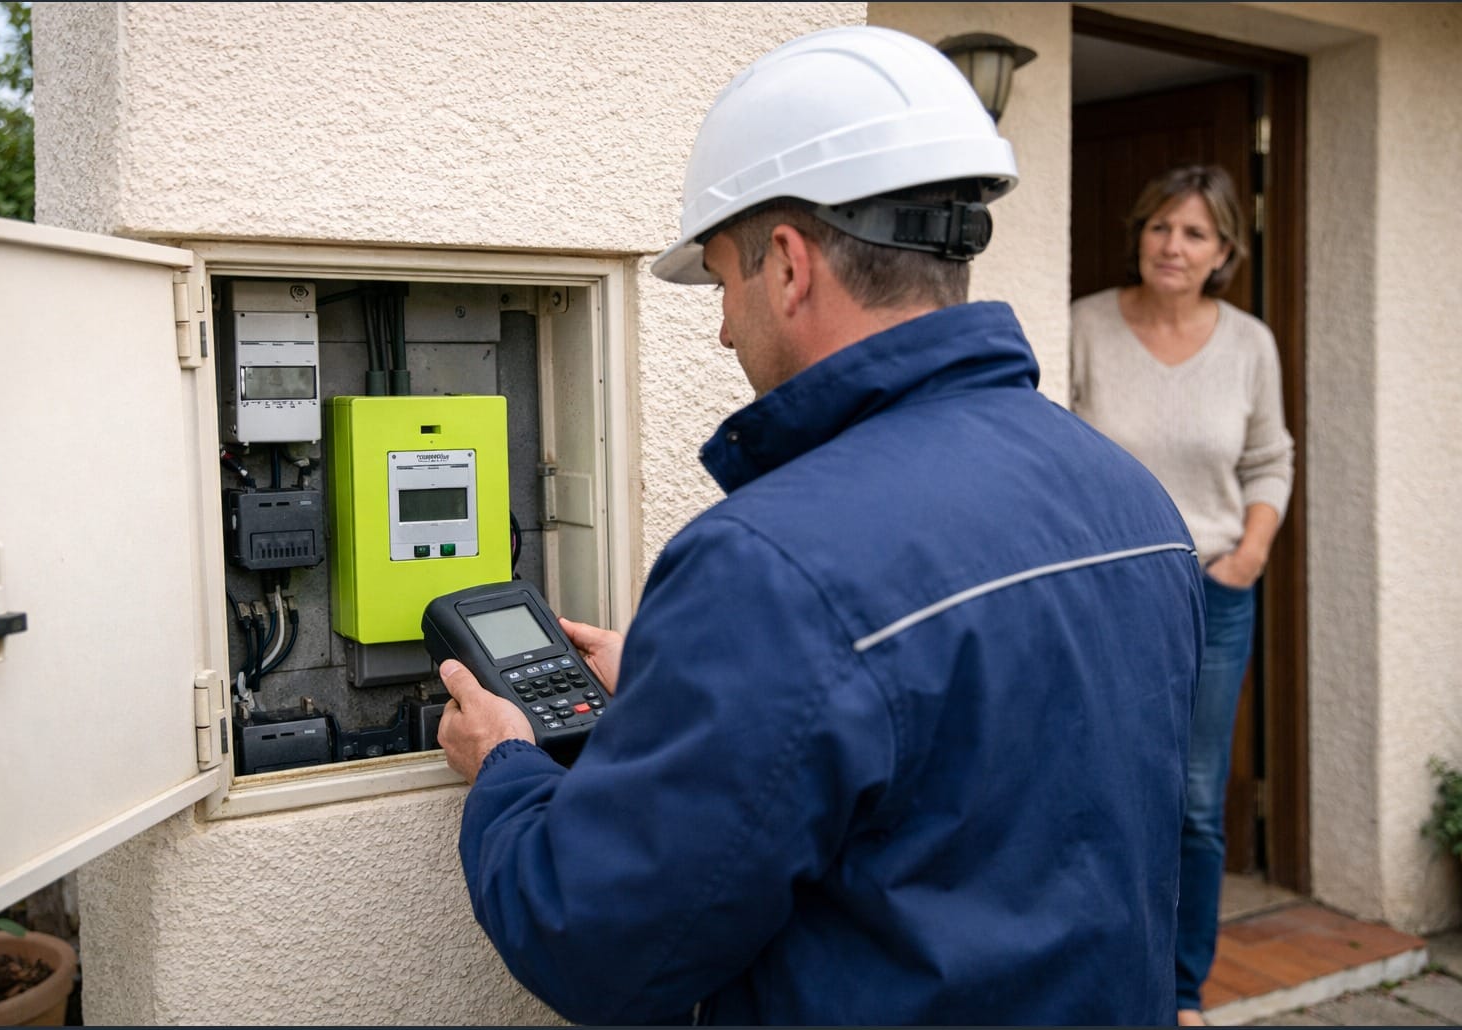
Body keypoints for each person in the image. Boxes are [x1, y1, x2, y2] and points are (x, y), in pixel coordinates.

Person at [439, 25, 1203, 1026]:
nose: (720, 326)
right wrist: (693, 693)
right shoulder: (1129, 497)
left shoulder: (768, 568)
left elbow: (600, 941)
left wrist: (505, 767)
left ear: (789, 265)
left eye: (720, 280)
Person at [1069, 164, 1295, 1026]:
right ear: (1139, 233)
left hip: (1212, 594)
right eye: (1161, 226)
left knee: (1195, 803)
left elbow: (1270, 458)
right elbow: (1056, 453)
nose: (1173, 246)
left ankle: (1179, 991)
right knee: (1099, 784)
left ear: (1226, 251)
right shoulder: (1085, 324)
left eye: (1195, 233)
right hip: (1103, 596)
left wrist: (1248, 555)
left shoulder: (1248, 343)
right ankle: (1098, 971)